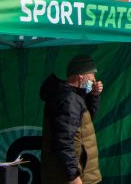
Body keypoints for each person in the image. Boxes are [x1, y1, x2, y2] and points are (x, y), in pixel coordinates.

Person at [40, 54, 103, 184]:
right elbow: (64, 141)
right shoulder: (68, 100)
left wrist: (94, 95)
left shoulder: (73, 97)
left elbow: (85, 123)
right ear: (81, 77)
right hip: (75, 177)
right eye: (92, 77)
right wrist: (73, 177)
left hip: (79, 174)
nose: (94, 81)